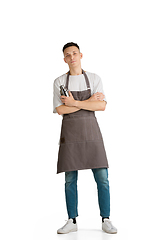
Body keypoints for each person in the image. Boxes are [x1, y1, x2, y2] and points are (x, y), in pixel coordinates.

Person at [53, 42, 117, 234]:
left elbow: (102, 106)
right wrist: (88, 102)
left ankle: (106, 219)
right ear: (64, 59)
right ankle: (72, 220)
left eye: (74, 53)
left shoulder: (95, 78)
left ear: (81, 55)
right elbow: (60, 109)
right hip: (70, 135)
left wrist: (74, 102)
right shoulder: (59, 82)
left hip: (92, 133)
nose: (71, 57)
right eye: (67, 54)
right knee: (70, 179)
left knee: (103, 178)